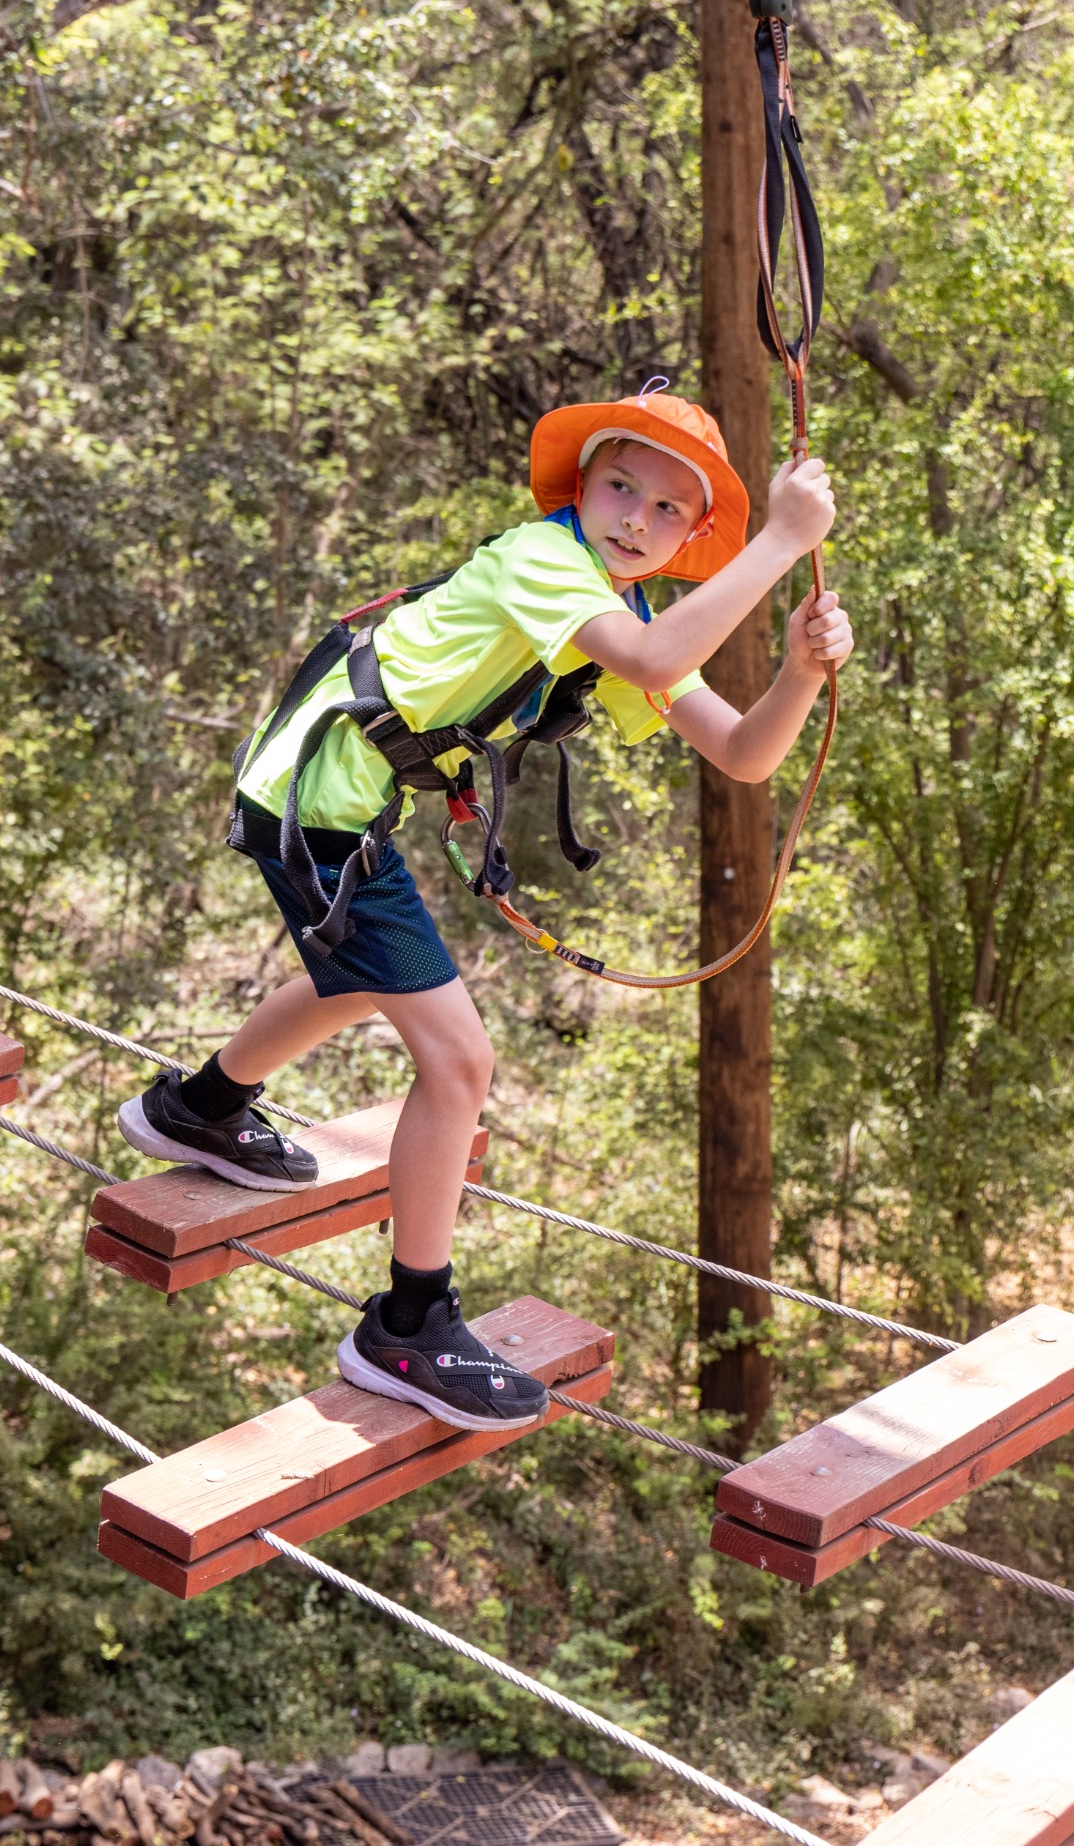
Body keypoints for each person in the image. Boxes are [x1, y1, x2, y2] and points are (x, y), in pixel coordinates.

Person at [119, 384, 853, 1431]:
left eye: (665, 510)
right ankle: (408, 1322)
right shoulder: (544, 560)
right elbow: (651, 662)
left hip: (329, 792)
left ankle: (198, 1105)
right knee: (460, 1059)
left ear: (690, 535)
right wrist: (781, 539)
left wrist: (796, 674)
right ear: (582, 486)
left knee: (357, 981)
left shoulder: (625, 607)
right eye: (620, 486)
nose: (635, 517)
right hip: (316, 797)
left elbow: (745, 752)